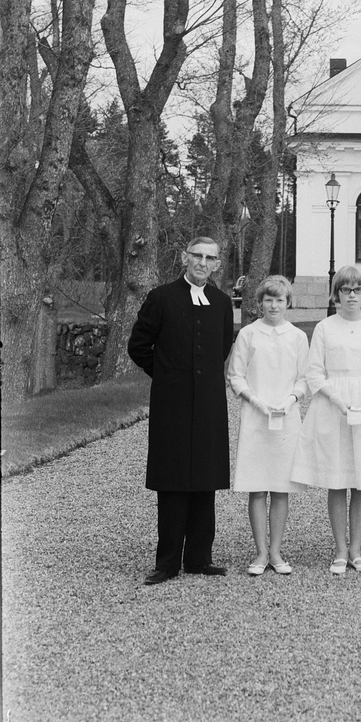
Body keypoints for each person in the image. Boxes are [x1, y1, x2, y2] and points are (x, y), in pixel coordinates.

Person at [128, 234, 235, 585]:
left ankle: (200, 559)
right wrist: (167, 374)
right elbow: (139, 345)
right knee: (172, 480)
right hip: (171, 402)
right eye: (197, 256)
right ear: (185, 258)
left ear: (217, 264)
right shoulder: (161, 298)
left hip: (208, 403)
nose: (203, 263)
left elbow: (221, 347)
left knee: (205, 479)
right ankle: (168, 562)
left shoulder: (221, 302)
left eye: (210, 258)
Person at [290, 265, 361, 574]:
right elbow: (314, 372)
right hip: (333, 406)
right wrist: (335, 397)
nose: (351, 296)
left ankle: (356, 550)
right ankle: (339, 549)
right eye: (345, 290)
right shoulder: (326, 327)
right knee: (337, 480)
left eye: (357, 290)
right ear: (336, 294)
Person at [226, 275, 310, 576]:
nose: (274, 305)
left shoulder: (298, 337)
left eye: (280, 300)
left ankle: (276, 552)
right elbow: (235, 375)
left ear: (288, 303)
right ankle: (260, 552)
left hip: (286, 417)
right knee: (258, 487)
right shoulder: (248, 334)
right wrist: (254, 400)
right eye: (268, 299)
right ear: (260, 302)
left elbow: (304, 377)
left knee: (280, 487)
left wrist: (290, 400)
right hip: (256, 416)